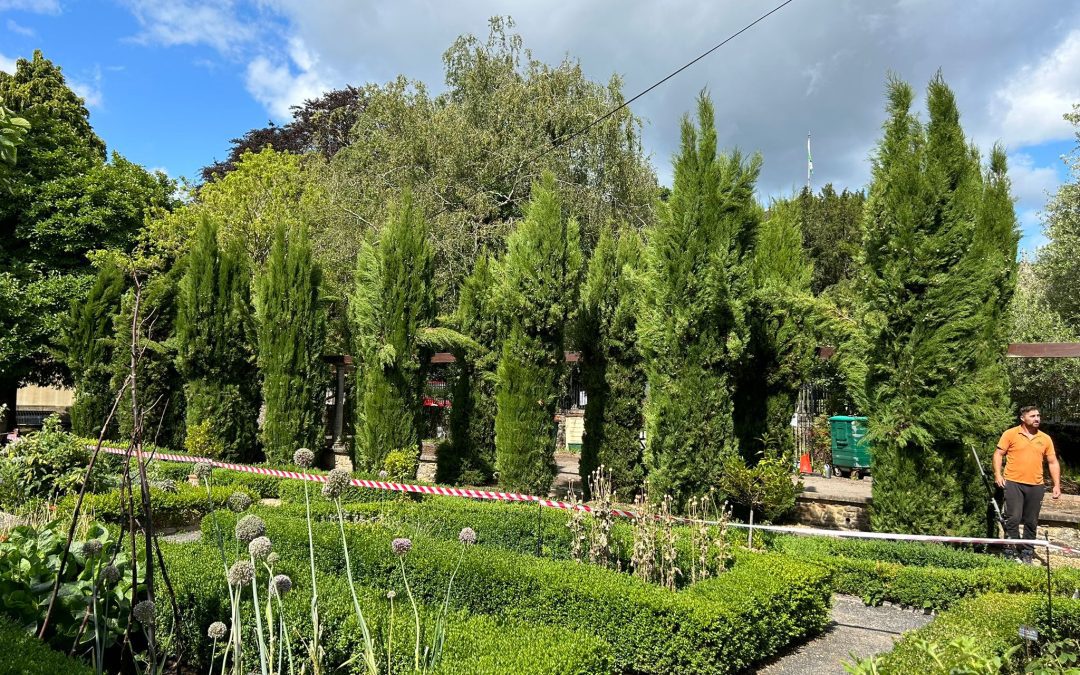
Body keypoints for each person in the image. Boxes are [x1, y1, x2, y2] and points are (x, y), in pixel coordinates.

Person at [993, 406, 1061, 564]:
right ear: (1023, 418)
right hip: (1013, 482)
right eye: (1032, 416)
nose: (1037, 418)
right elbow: (998, 454)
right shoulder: (1010, 434)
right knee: (1013, 518)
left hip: (1036, 485)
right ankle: (1009, 550)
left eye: (1038, 416)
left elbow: (1052, 462)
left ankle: (1027, 551)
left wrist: (1056, 484)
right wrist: (998, 473)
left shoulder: (1045, 438)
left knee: (1031, 521)